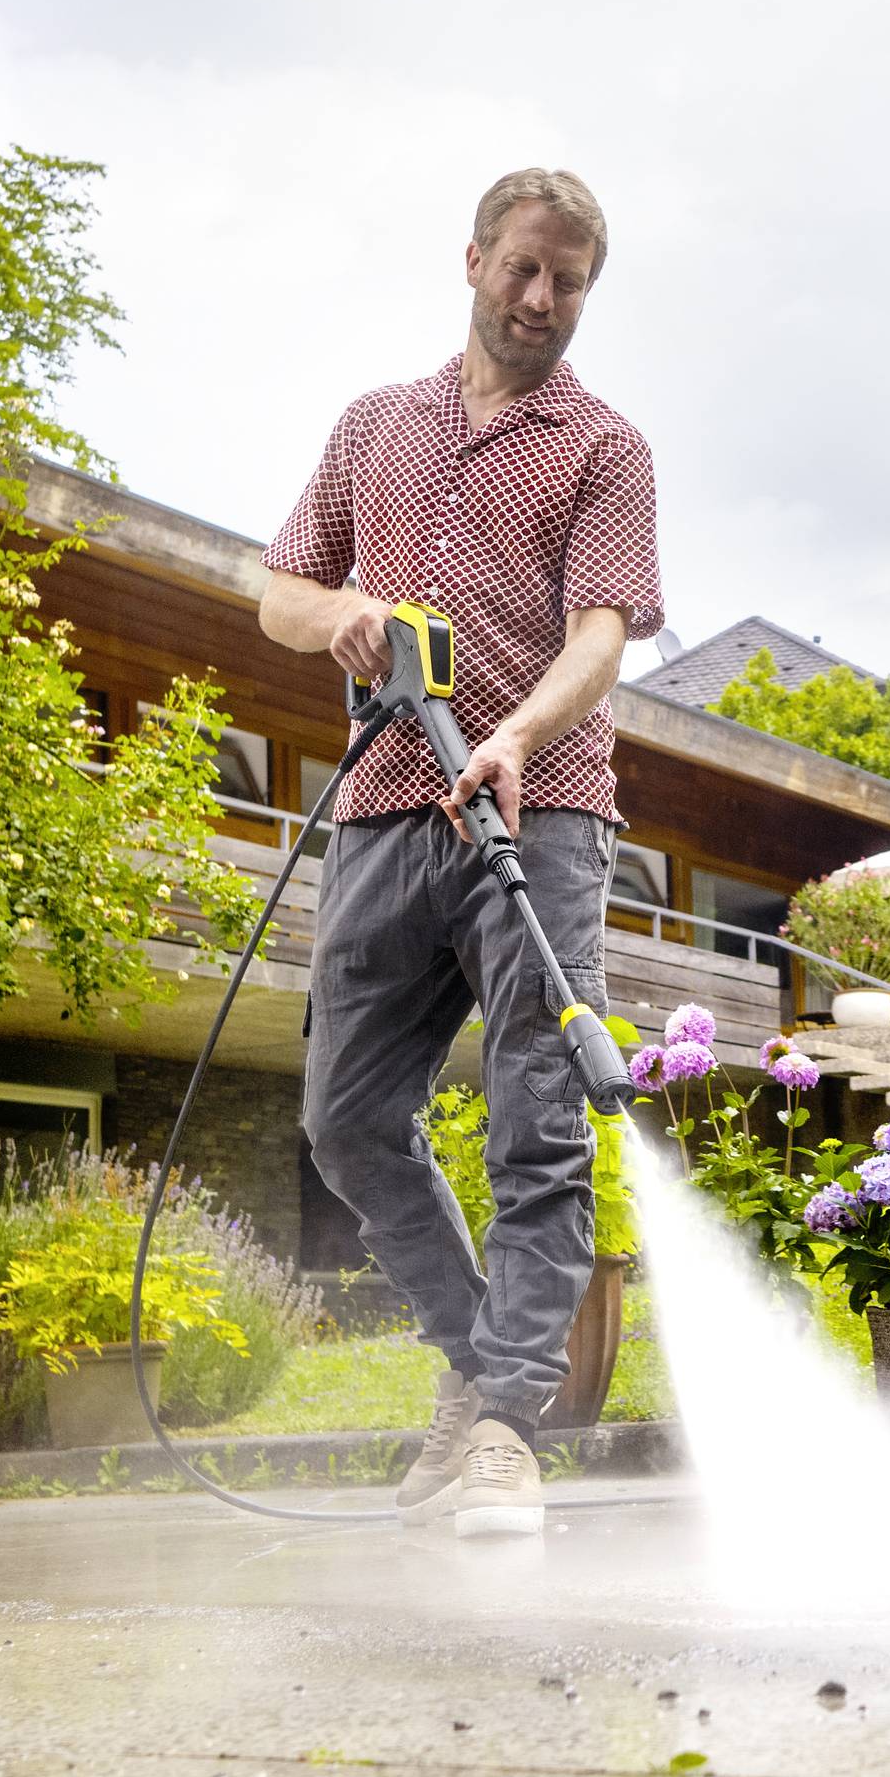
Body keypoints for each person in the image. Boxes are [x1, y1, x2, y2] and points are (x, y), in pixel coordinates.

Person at [258, 168, 662, 1537]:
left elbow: (603, 635)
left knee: (540, 1125)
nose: (543, 301)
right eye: (525, 270)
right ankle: (472, 1364)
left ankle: (502, 1430)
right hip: (382, 805)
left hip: (538, 812)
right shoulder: (376, 426)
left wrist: (518, 733)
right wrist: (342, 619)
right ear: (475, 258)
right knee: (347, 1115)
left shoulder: (605, 446)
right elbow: (277, 589)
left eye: (571, 283)